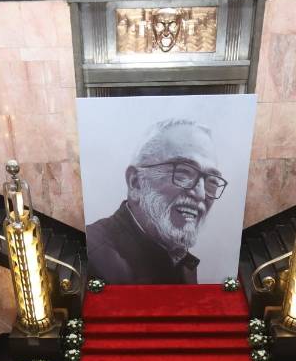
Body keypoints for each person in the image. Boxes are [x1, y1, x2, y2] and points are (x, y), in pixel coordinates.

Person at [86, 118, 226, 284]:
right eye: (183, 173)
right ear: (135, 183)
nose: (201, 194)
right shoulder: (92, 258)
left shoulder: (178, 257)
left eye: (212, 181)